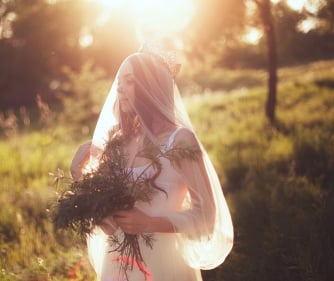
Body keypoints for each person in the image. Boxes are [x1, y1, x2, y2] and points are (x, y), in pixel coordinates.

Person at [70, 46, 233, 281]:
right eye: (119, 83)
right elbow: (104, 216)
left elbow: (206, 217)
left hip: (164, 263)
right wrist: (79, 174)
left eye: (129, 81)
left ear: (151, 86)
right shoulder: (116, 140)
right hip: (116, 263)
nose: (119, 89)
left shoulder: (179, 140)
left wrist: (149, 223)